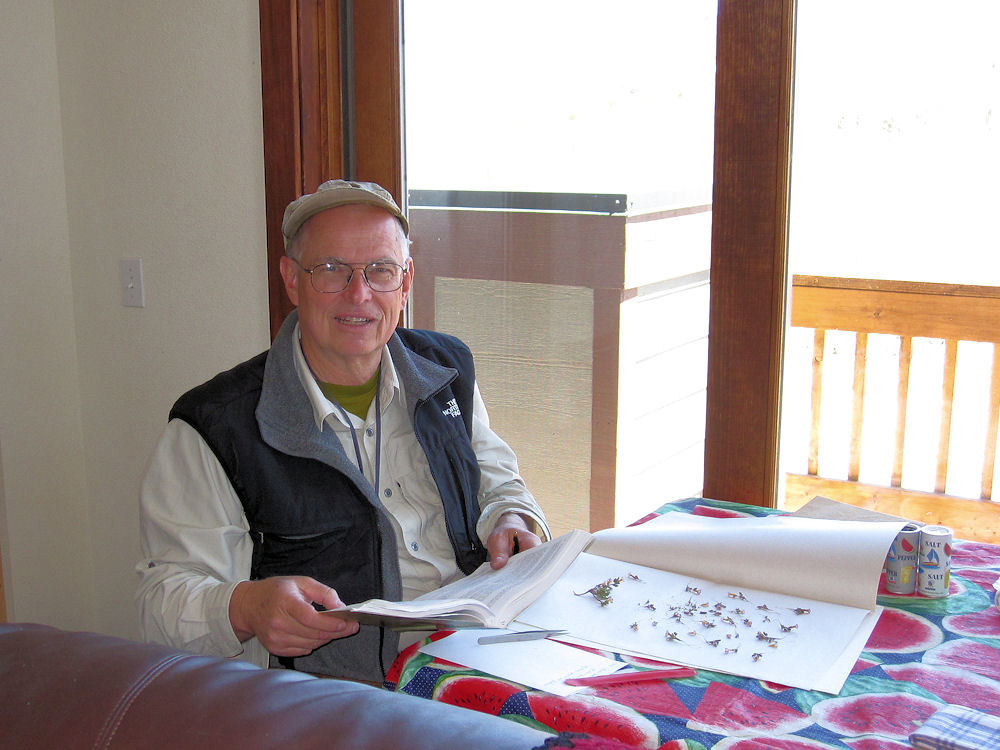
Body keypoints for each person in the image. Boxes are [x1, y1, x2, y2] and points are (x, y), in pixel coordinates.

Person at [136, 179, 550, 683]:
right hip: (335, 695)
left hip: (473, 655)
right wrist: (244, 606)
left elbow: (497, 480)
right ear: (291, 279)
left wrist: (512, 517)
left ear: (405, 280)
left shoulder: (447, 372)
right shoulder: (214, 427)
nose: (359, 294)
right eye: (331, 270)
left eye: (380, 270)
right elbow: (161, 601)